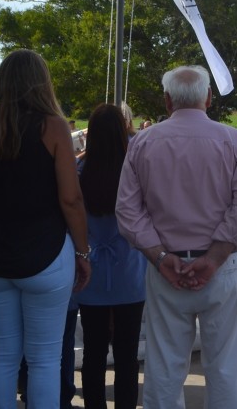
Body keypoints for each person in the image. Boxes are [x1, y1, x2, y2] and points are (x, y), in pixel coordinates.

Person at [115, 64, 237, 408]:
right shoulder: (233, 140)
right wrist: (213, 258)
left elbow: (128, 211)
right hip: (221, 268)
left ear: (167, 101)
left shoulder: (143, 143)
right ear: (208, 98)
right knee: (225, 369)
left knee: (164, 369)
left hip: (168, 268)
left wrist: (160, 256)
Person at [0, 49, 91, 408]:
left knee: (2, 356)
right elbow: (71, 199)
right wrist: (83, 252)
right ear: (41, 82)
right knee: (45, 360)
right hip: (45, 256)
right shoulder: (52, 126)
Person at [76, 104, 146, 409]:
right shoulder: (136, 171)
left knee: (93, 352)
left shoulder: (79, 171)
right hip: (129, 267)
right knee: (127, 354)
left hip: (90, 267)